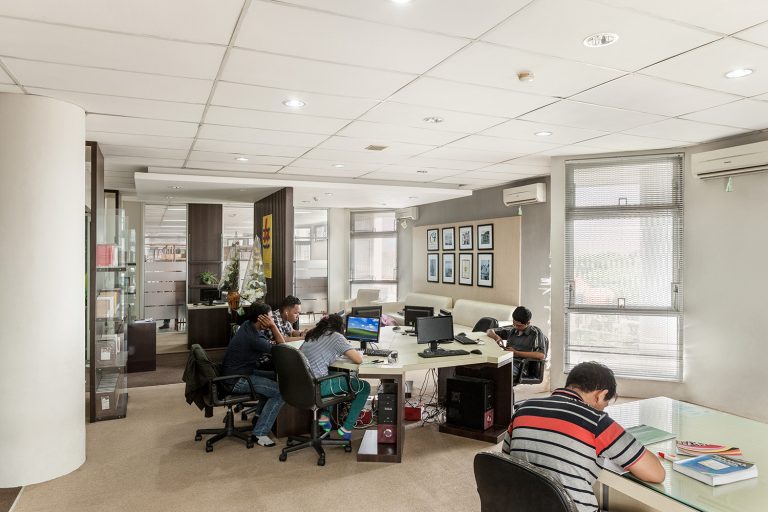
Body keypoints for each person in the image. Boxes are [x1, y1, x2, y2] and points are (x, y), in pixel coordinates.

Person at [502, 361, 665, 512]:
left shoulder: (523, 409)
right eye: (604, 404)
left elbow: (506, 460)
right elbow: (656, 474)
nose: (602, 409)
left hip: (521, 506)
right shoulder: (597, 422)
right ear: (601, 395)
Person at [221, 302, 286, 447]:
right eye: (270, 318)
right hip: (237, 380)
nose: (272, 320)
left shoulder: (247, 325)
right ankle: (260, 433)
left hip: (235, 373)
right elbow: (282, 348)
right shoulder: (254, 338)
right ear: (261, 318)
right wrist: (273, 327)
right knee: (280, 392)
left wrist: (271, 331)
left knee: (274, 378)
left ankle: (258, 417)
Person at [299, 313, 371, 441]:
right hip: (318, 386)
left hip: (301, 385)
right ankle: (346, 428)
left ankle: (325, 416)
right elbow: (358, 359)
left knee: (335, 375)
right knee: (364, 387)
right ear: (340, 327)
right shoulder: (336, 337)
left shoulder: (312, 334)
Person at [486, 306, 547, 379]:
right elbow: (489, 331)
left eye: (519, 325)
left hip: (520, 367)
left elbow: (541, 355)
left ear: (528, 323)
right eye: (514, 323)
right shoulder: (513, 329)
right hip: (506, 361)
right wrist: (496, 337)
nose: (515, 327)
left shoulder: (535, 333)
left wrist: (516, 353)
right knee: (485, 368)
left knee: (495, 372)